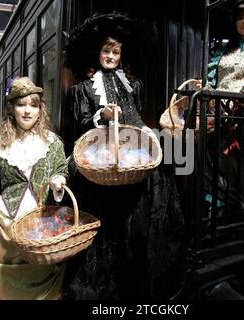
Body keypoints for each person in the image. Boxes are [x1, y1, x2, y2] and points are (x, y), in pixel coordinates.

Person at [64, 13, 185, 300]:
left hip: (133, 157)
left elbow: (136, 119)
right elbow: (81, 124)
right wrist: (101, 115)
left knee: (141, 211)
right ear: (98, 52)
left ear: (121, 55)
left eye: (115, 51)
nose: (110, 55)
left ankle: (137, 278)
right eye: (106, 50)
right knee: (107, 222)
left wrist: (151, 135)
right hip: (103, 158)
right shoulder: (83, 89)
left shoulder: (134, 86)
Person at [0, 77, 69, 300]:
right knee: (7, 288)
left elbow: (61, 169)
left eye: (33, 105)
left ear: (40, 110)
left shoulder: (53, 143)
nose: (27, 111)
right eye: (21, 104)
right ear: (11, 109)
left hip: (44, 229)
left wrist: (58, 180)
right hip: (7, 231)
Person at [195, 0, 244, 213]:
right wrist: (205, 85)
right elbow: (213, 77)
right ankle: (217, 209)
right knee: (208, 159)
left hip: (239, 115)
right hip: (217, 111)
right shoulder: (225, 49)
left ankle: (238, 211)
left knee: (233, 164)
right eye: (240, 17)